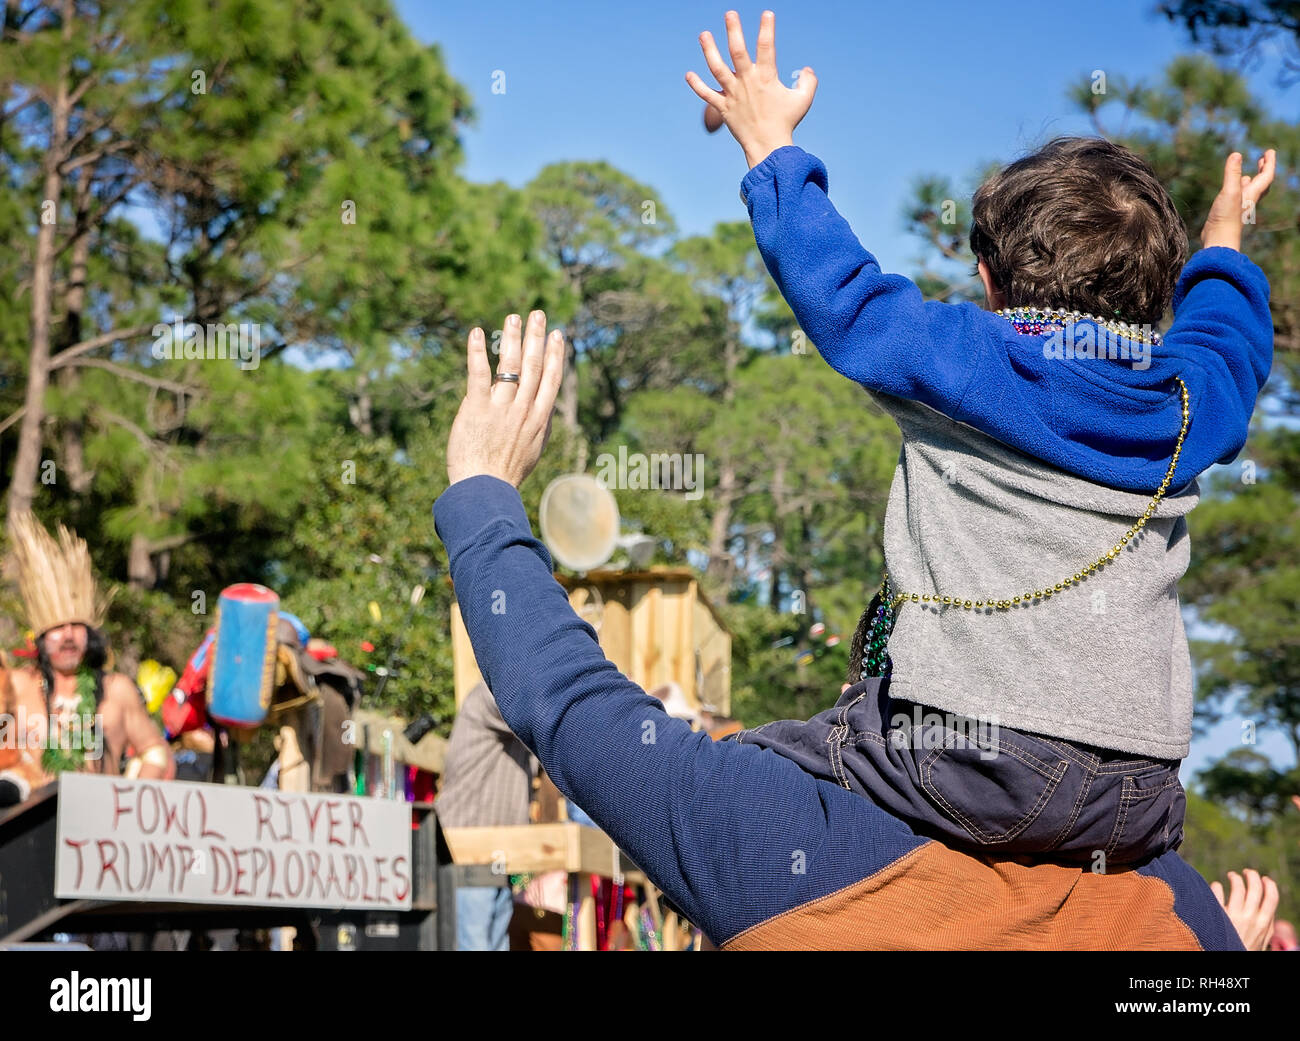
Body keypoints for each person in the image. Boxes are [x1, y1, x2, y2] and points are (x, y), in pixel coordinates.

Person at [433, 307, 1253, 949]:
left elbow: (573, 710)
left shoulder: (786, 849)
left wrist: (482, 486)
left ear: (881, 664)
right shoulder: (1175, 911)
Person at [684, 10, 1277, 866]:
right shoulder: (1187, 403)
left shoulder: (971, 362)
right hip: (1139, 796)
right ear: (1156, 297)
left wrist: (770, 148)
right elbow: (1226, 343)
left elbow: (843, 294)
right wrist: (1224, 246)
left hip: (969, 761)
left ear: (992, 280)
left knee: (741, 772)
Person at [1, 511, 173, 800]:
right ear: (41, 639)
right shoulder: (17, 685)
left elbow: (155, 751)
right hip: (26, 827)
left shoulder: (116, 690)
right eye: (57, 628)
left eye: (76, 627)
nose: (68, 635)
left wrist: (131, 798)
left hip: (98, 828)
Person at [435, 678, 535, 950]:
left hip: (497, 858)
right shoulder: (488, 695)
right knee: (474, 944)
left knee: (494, 944)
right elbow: (528, 713)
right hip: (468, 853)